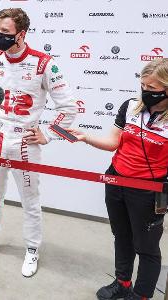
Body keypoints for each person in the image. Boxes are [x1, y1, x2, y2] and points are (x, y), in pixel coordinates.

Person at [0, 8, 77, 277]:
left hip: (26, 142)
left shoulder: (44, 63)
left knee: (30, 200)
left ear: (21, 34)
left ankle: (32, 249)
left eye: (5, 32)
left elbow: (69, 108)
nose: (0, 36)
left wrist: (50, 134)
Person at [69, 58, 168, 300]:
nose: (146, 92)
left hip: (149, 191)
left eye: (152, 89)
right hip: (116, 181)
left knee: (146, 247)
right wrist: (86, 137)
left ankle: (141, 295)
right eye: (143, 86)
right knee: (121, 235)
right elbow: (114, 142)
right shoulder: (131, 106)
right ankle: (122, 282)